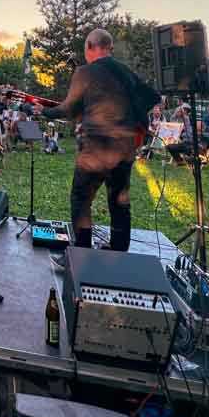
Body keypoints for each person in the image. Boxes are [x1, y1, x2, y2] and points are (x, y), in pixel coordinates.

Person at [35, 28, 158, 259]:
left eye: (85, 49)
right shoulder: (126, 72)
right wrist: (131, 123)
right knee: (119, 200)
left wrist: (44, 112)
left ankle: (81, 254)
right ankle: (118, 253)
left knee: (81, 198)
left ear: (91, 47)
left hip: (97, 148)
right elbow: (152, 97)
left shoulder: (85, 72)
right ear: (109, 48)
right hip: (125, 149)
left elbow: (68, 108)